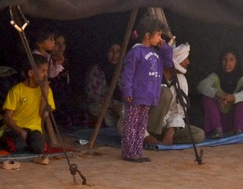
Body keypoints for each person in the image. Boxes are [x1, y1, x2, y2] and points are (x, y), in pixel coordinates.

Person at [118, 17, 173, 163]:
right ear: (148, 35)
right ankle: (129, 152)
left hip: (149, 96)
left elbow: (169, 62)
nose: (160, 38)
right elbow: (127, 74)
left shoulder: (157, 53)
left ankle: (137, 151)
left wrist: (164, 46)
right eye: (158, 35)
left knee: (142, 125)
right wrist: (127, 91)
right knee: (131, 124)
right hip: (136, 96)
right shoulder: (135, 53)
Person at [146, 43, 205, 146]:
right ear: (175, 59)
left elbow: (179, 111)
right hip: (145, 127)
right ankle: (147, 137)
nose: (188, 62)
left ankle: (160, 141)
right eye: (185, 58)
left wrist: (171, 131)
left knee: (198, 134)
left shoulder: (181, 80)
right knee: (165, 92)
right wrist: (145, 135)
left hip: (165, 126)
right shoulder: (152, 76)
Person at [1, 56, 54, 165]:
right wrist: (20, 130)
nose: (46, 75)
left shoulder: (47, 91)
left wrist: (44, 92)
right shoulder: (16, 90)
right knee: (19, 146)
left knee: (39, 148)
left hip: (34, 129)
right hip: (16, 128)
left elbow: (43, 114)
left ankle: (27, 143)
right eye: (43, 71)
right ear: (30, 73)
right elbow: (7, 118)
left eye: (47, 71)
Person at [197, 47, 243, 139]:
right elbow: (201, 86)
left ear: (237, 62)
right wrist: (220, 94)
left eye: (231, 60)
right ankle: (216, 130)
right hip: (217, 120)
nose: (227, 64)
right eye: (224, 60)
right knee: (207, 97)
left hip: (233, 121)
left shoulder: (241, 77)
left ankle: (239, 131)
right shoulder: (216, 75)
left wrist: (234, 97)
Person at [84, 43, 123, 127]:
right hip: (100, 106)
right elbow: (91, 95)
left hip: (118, 107)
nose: (115, 55)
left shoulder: (122, 70)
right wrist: (112, 104)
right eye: (112, 51)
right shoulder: (96, 70)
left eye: (118, 52)